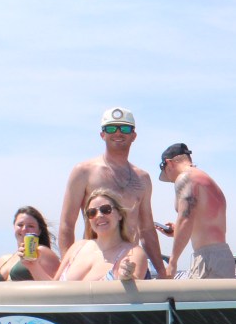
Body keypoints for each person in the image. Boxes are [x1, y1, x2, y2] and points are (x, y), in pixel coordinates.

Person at [60, 107, 165, 276]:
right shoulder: (83, 172)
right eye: (110, 128)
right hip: (95, 263)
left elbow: (146, 229)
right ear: (102, 135)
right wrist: (68, 268)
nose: (117, 133)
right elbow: (67, 224)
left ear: (133, 136)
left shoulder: (142, 178)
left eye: (124, 128)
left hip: (132, 265)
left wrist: (161, 271)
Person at [157, 143, 235, 278]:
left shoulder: (185, 178)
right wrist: (177, 231)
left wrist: (172, 262)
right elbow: (204, 220)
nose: (170, 179)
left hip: (207, 257)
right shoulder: (205, 179)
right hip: (222, 255)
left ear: (168, 163)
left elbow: (185, 218)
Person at [54, 189, 148, 281]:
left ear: (120, 214)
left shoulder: (133, 252)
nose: (99, 215)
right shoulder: (77, 248)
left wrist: (126, 278)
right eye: (92, 212)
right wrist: (38, 265)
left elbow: (134, 290)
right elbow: (54, 285)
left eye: (106, 209)